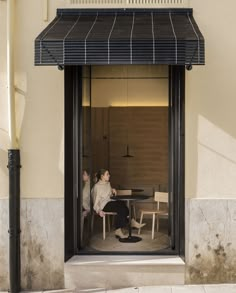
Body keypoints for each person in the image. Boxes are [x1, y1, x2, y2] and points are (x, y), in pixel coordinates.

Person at [92, 168, 145, 239]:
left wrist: (113, 190)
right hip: (103, 205)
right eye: (107, 174)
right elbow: (95, 201)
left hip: (110, 202)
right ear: (102, 176)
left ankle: (126, 225)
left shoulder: (107, 184)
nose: (109, 175)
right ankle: (127, 224)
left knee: (123, 204)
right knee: (120, 207)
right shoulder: (97, 186)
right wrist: (98, 211)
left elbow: (109, 195)